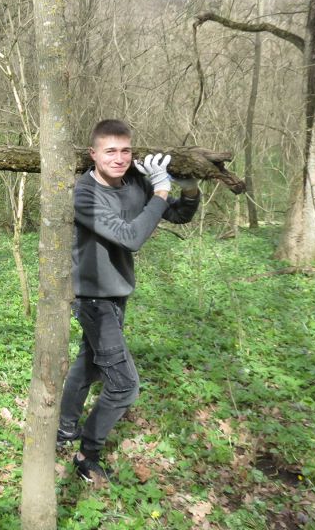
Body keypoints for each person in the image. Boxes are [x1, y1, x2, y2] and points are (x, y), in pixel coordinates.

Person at [58, 119, 200, 483]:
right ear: (93, 154)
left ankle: (64, 427)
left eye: (125, 151)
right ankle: (86, 455)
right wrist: (161, 191)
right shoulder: (84, 194)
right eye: (110, 151)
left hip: (118, 292)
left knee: (88, 365)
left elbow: (177, 214)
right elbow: (131, 237)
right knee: (124, 385)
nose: (119, 158)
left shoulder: (136, 182)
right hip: (93, 298)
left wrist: (188, 189)